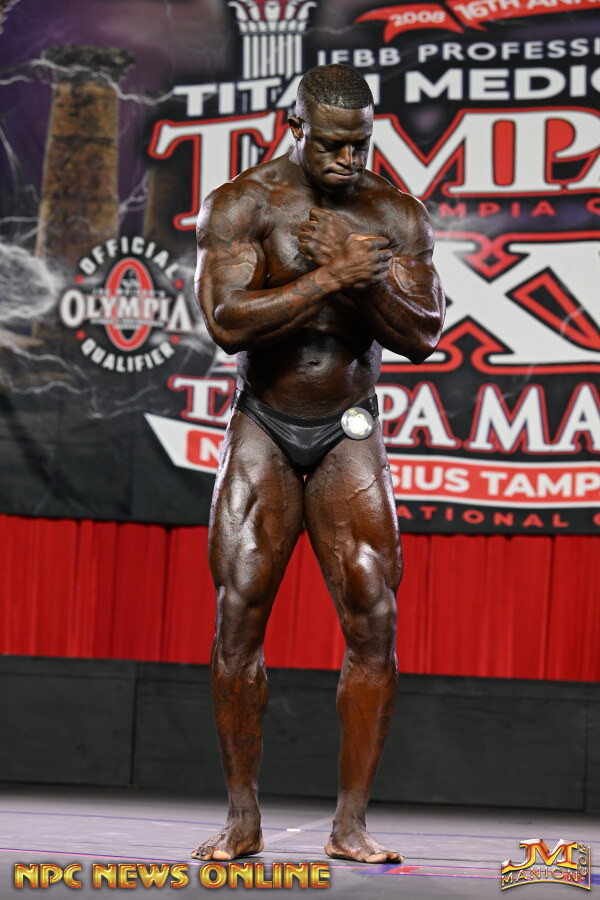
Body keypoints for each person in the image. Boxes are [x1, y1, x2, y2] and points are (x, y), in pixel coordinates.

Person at [192, 64, 445, 865]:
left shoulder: (394, 213)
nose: (348, 160)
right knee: (238, 618)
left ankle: (350, 825)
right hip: (263, 423)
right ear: (294, 126)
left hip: (349, 427)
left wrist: (363, 285)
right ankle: (242, 819)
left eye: (360, 145)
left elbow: (423, 333)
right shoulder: (243, 204)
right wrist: (332, 275)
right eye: (332, 145)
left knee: (375, 618)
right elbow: (227, 323)